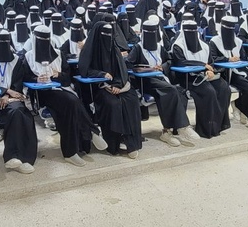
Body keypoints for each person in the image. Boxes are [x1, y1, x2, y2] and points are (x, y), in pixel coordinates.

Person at [21, 26, 102, 166]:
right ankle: (91, 131)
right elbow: (25, 78)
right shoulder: (28, 57)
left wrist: (58, 74)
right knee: (72, 101)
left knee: (70, 109)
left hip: (61, 89)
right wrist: (37, 79)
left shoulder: (58, 54)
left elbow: (67, 78)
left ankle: (71, 152)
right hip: (42, 94)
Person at [127, 19, 199, 147]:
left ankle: (168, 131)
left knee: (179, 92)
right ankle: (182, 126)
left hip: (161, 78)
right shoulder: (138, 48)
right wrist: (145, 68)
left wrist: (162, 67)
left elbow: (169, 60)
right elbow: (128, 64)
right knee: (170, 90)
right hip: (146, 81)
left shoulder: (159, 47)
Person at [79, 22, 143, 158]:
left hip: (118, 86)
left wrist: (118, 85)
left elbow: (122, 70)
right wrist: (101, 74)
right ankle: (114, 142)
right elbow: (85, 70)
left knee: (131, 100)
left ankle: (130, 141)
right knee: (113, 104)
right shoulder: (89, 50)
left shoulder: (114, 48)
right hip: (99, 87)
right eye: (104, 34)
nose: (107, 37)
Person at [0, 30, 38, 173]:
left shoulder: (17, 62)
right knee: (17, 113)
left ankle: (20, 157)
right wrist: (5, 92)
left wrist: (8, 95)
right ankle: (14, 156)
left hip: (13, 99)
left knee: (23, 115)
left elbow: (18, 83)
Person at [170, 20, 230, 138]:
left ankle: (217, 125)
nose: (191, 34)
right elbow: (181, 62)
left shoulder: (204, 46)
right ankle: (205, 128)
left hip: (206, 76)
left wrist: (209, 70)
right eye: (189, 31)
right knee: (209, 92)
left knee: (224, 88)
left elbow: (210, 62)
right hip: (188, 78)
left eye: (193, 31)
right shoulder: (178, 46)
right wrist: (202, 65)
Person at [209, 16, 248, 126]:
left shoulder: (238, 42)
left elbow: (244, 58)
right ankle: (244, 111)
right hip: (224, 73)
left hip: (239, 71)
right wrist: (228, 59)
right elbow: (212, 58)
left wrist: (239, 60)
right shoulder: (214, 41)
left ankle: (245, 109)